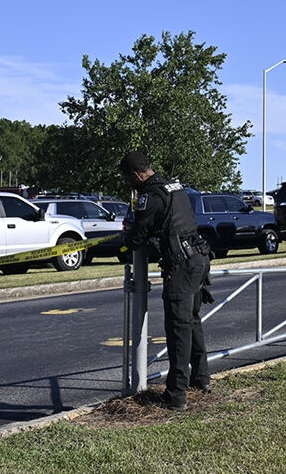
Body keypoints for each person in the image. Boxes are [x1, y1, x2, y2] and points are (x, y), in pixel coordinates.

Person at [119, 151, 212, 411]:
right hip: (198, 258)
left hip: (181, 265)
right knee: (191, 322)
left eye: (127, 179)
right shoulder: (175, 187)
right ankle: (201, 379)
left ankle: (176, 396)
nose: (128, 184)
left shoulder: (149, 196)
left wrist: (124, 248)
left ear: (136, 175)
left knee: (178, 329)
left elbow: (138, 235)